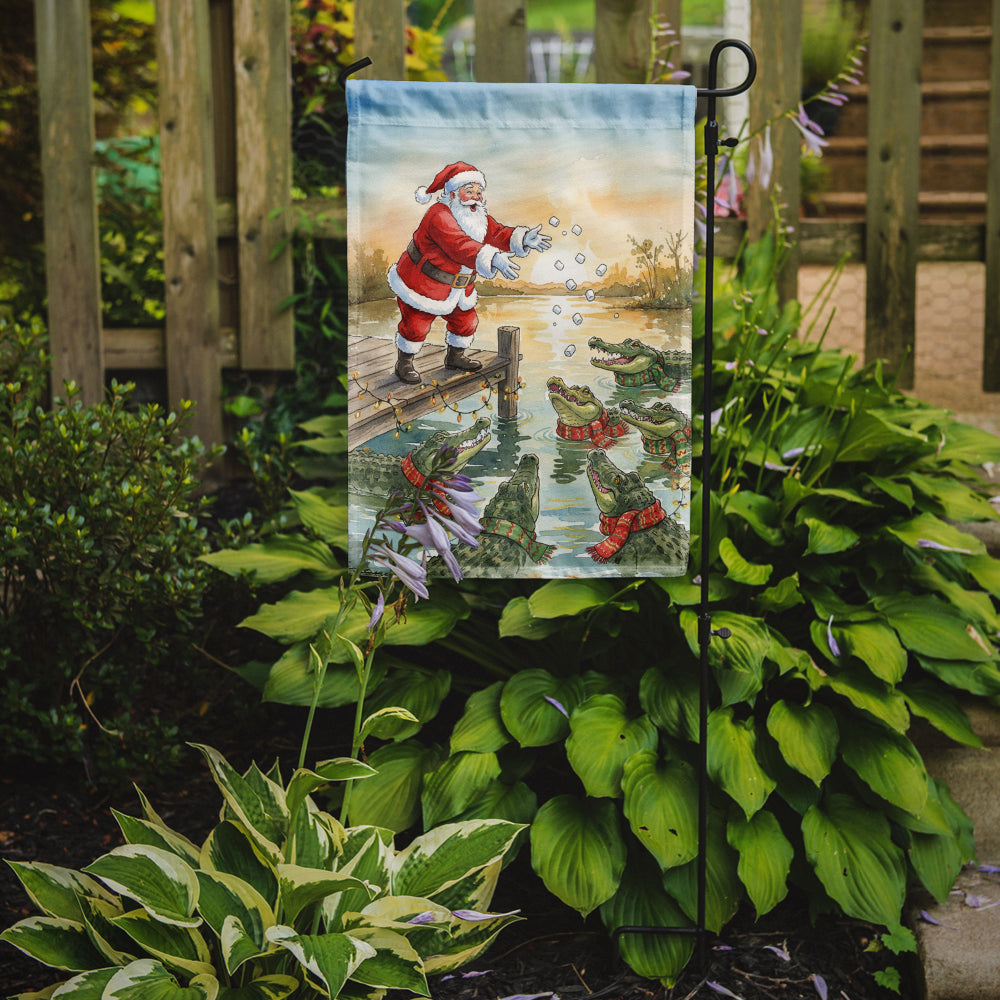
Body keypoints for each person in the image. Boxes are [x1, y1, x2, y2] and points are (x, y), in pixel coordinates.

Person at [388, 161, 551, 384]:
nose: (476, 196)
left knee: (466, 322)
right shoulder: (438, 215)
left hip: (457, 287)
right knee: (416, 324)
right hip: (422, 283)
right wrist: (493, 257)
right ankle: (404, 362)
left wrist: (521, 238)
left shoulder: (476, 217)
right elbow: (458, 244)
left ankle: (455, 357)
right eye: (469, 191)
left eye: (478, 191)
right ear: (452, 194)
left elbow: (497, 233)